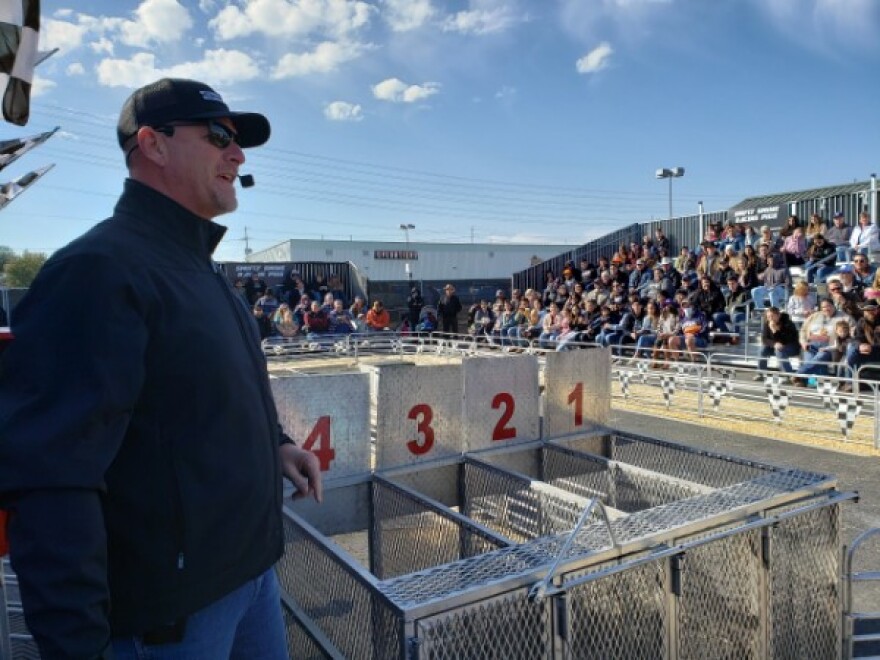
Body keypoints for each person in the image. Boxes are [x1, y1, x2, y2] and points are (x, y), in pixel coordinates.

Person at [0, 78, 322, 659]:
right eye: (220, 135)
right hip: (171, 621)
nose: (238, 154)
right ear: (153, 144)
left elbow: (200, 400)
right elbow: (52, 481)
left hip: (252, 581)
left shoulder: (201, 271)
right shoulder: (98, 271)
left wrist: (275, 443)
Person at [753, 306, 801, 380]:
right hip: (776, 346)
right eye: (768, 316)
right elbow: (764, 339)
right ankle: (761, 373)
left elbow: (785, 340)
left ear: (778, 315)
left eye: (772, 316)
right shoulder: (767, 323)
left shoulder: (788, 323)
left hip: (791, 346)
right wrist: (774, 344)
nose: (770, 318)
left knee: (779, 350)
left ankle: (789, 375)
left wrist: (774, 330)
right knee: (763, 349)